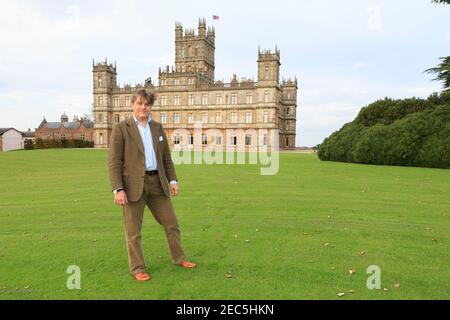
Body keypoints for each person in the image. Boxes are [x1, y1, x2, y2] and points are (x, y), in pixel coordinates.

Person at [108, 89, 196, 281]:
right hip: (132, 186)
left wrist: (173, 180)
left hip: (158, 182)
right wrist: (118, 189)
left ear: (151, 107)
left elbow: (166, 157)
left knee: (171, 223)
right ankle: (138, 268)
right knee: (133, 231)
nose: (143, 107)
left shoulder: (157, 127)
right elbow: (114, 161)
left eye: (147, 104)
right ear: (133, 104)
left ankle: (179, 258)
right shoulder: (122, 128)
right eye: (140, 103)